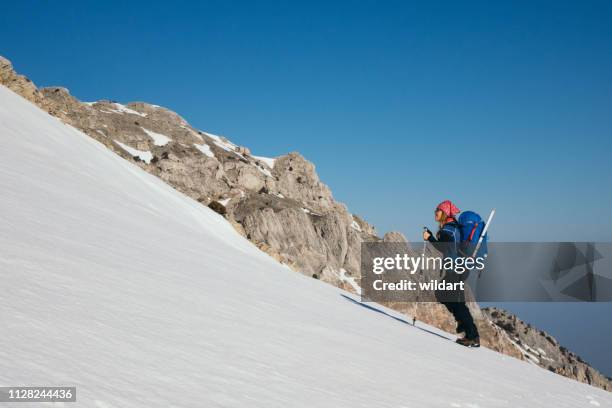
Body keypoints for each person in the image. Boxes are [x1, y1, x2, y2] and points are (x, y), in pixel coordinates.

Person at [423, 200, 480, 347]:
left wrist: (429, 238)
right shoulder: (454, 227)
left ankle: (471, 335)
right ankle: (467, 328)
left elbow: (443, 248)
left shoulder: (447, 230)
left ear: (445, 213)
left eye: (438, 210)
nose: (435, 212)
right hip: (461, 268)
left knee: (449, 298)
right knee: (453, 299)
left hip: (455, 269)